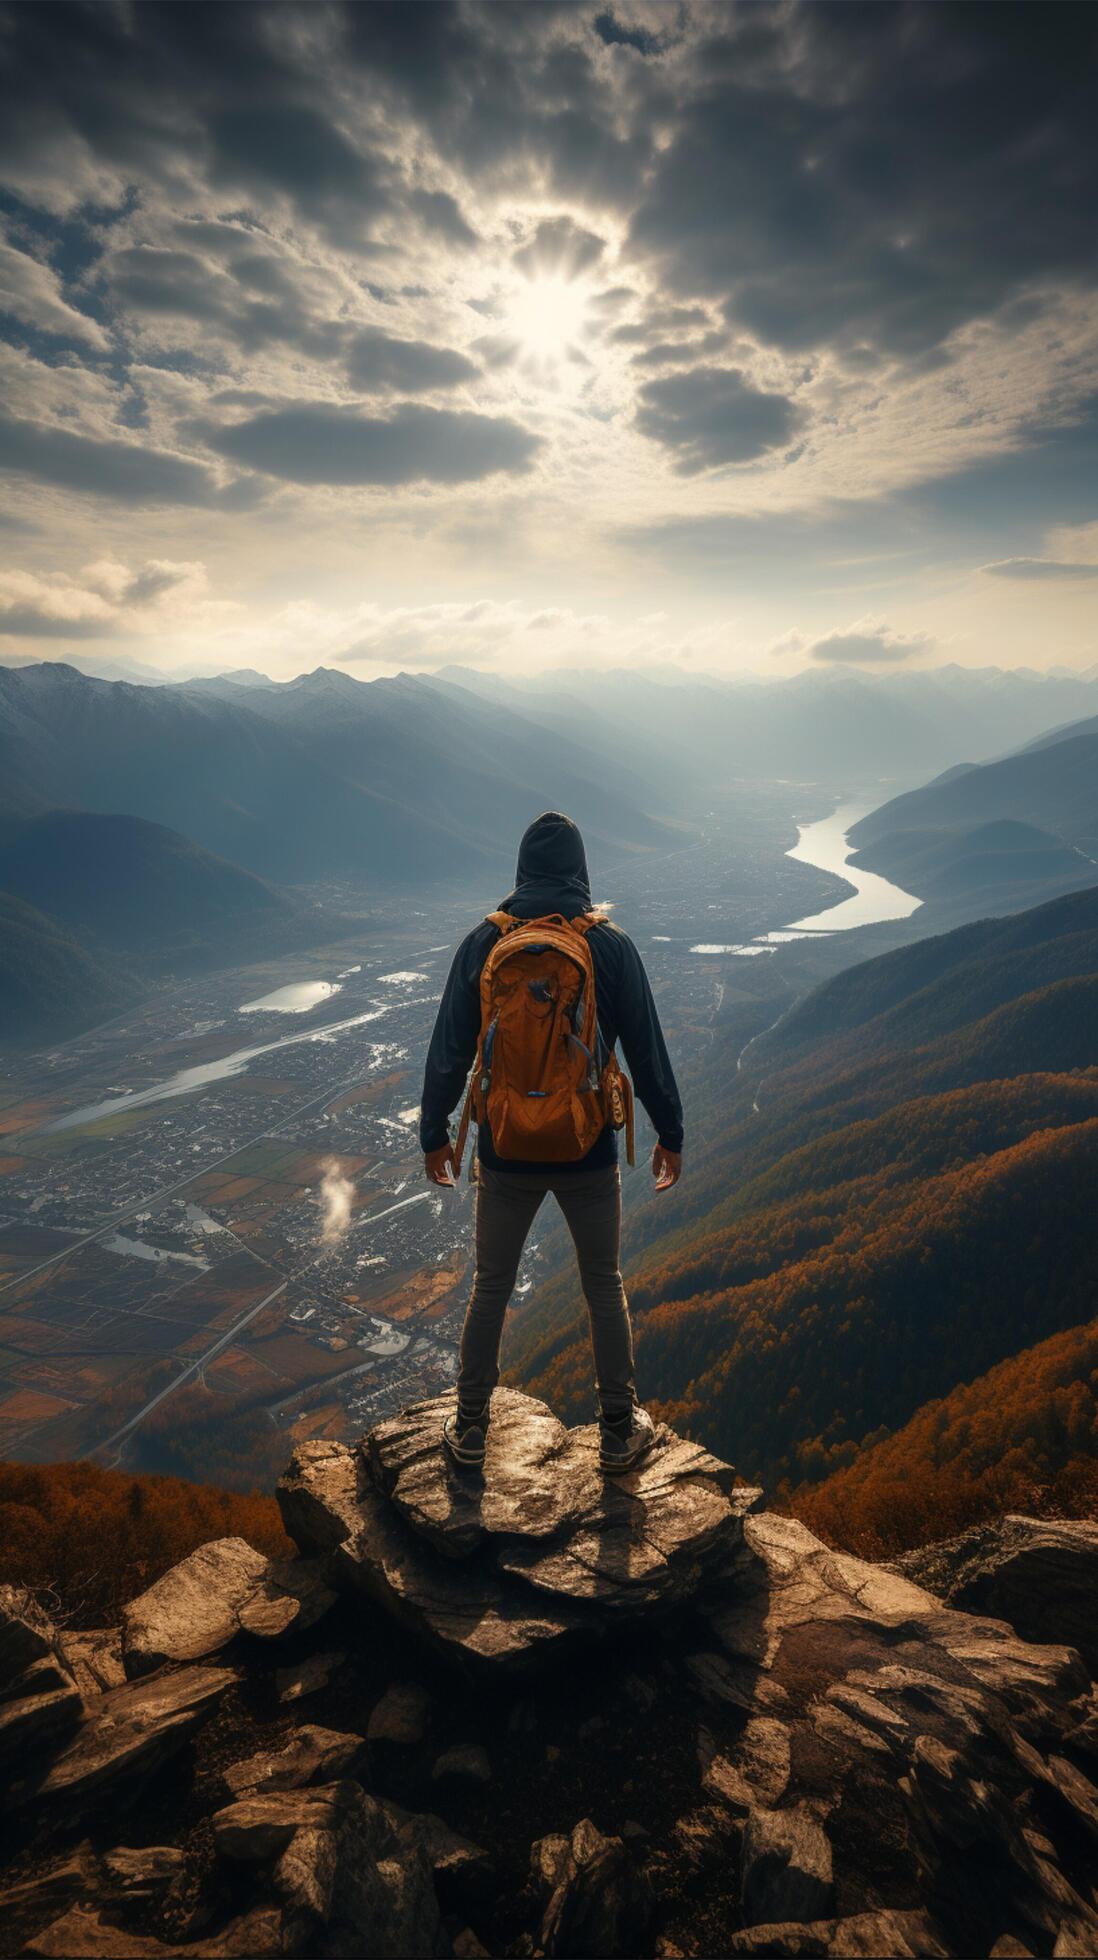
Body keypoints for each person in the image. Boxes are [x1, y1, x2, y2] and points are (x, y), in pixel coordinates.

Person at [420, 810, 683, 1474]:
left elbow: (449, 1049)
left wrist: (435, 1134)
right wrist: (670, 1133)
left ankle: (473, 1428)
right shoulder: (608, 946)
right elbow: (647, 1051)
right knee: (603, 1283)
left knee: (490, 1287)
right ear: (581, 868)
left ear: (521, 870)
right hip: (586, 1146)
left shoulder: (486, 942)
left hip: (505, 1148)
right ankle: (620, 1431)